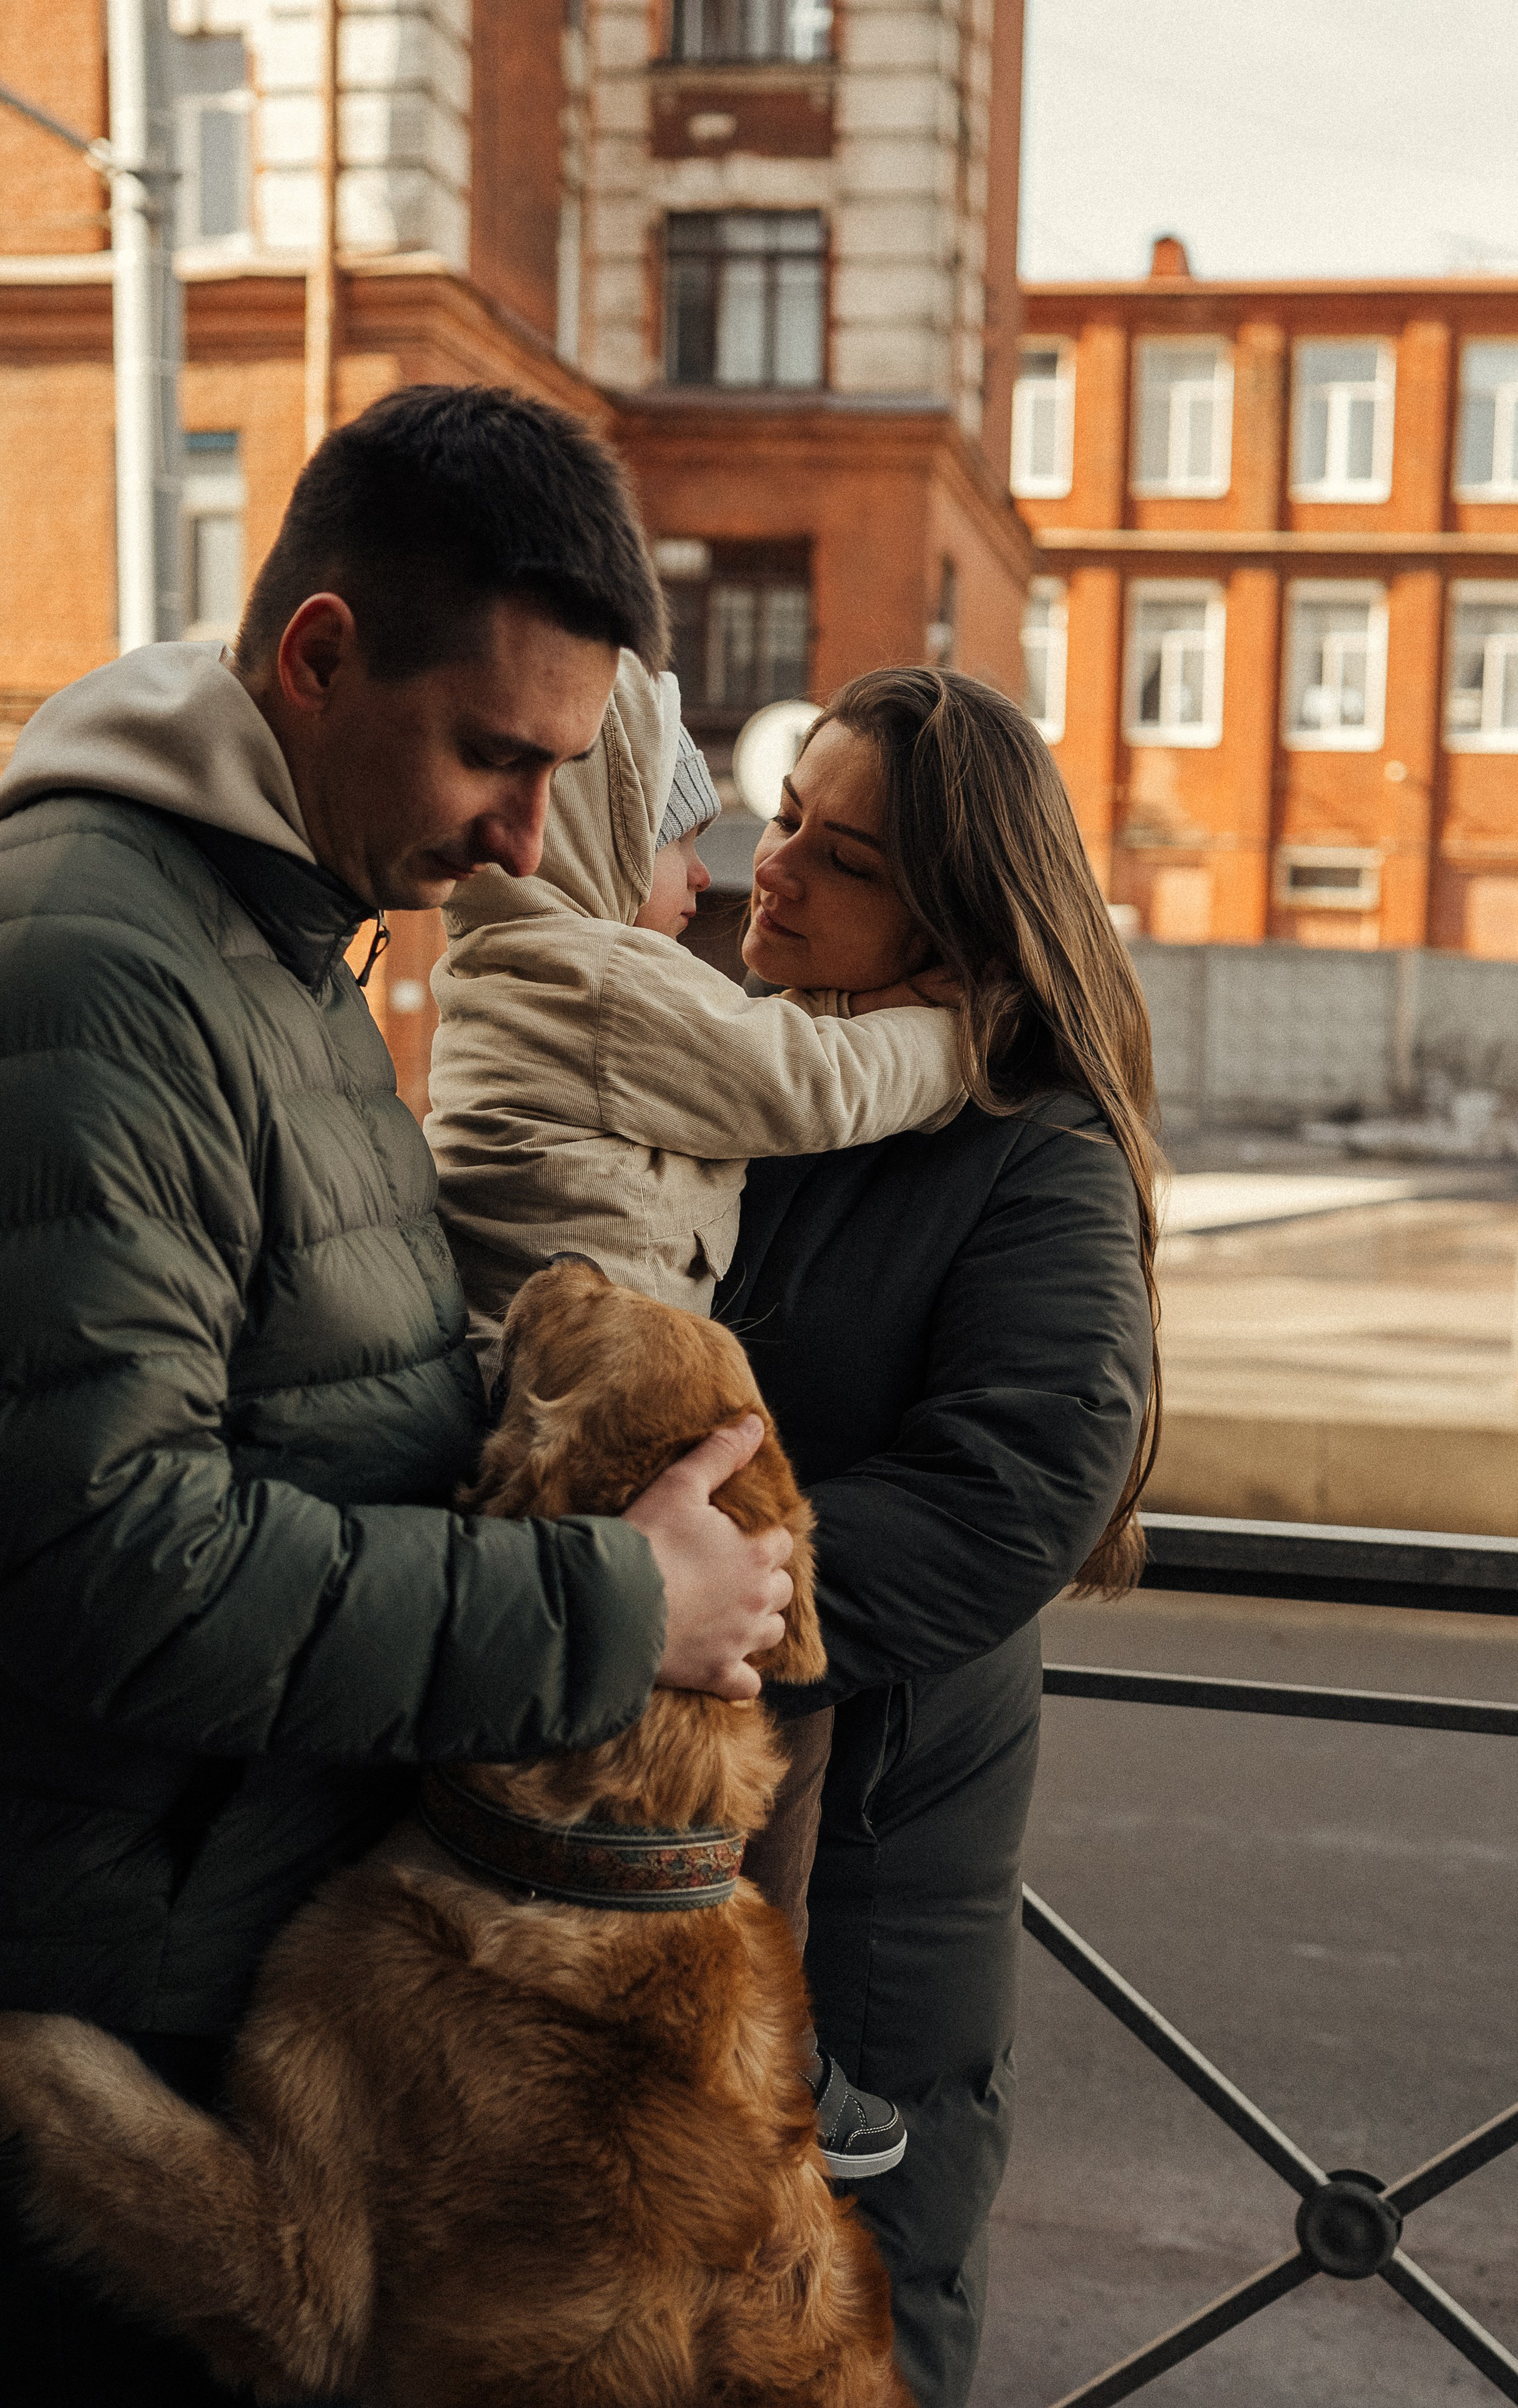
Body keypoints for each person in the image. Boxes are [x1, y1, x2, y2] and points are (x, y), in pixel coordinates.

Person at [0, 384, 794, 2407]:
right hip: (125, 2037)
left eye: (558, 771)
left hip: (221, 1968)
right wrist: (617, 1604)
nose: (522, 837)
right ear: (319, 657)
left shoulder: (274, 939)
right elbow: (104, 1560)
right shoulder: (84, 974)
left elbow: (286, 1382)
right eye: (496, 753)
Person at [714, 667, 1159, 2408]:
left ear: (960, 920)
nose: (777, 868)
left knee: (843, 2329)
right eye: (783, 820)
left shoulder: (1029, 1151)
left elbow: (1017, 1483)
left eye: (846, 857)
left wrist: (688, 1606)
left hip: (865, 1869)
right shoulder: (747, 1068)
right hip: (657, 1835)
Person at [424, 648, 964, 1374]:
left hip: (545, 1362)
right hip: (591, 1380)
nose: (708, 874)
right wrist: (957, 1030)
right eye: (677, 841)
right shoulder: (600, 980)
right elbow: (813, 1082)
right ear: (597, 849)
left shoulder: (520, 964)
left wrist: (868, 1004)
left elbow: (758, 1046)